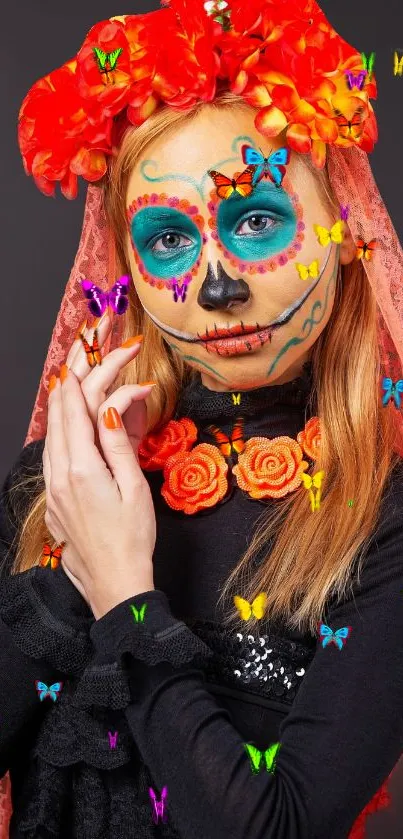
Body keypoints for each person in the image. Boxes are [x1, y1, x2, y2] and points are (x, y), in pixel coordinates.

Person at [1, 1, 403, 837]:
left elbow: (274, 826)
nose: (217, 291)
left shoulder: (380, 510)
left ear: (340, 228)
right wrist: (66, 568)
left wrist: (124, 593)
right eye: (168, 240)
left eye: (256, 220)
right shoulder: (66, 476)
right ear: (128, 268)